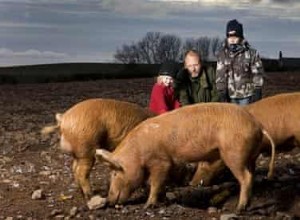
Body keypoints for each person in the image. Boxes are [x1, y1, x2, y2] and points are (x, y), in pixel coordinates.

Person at [216, 19, 264, 105]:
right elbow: (220, 75)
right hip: (230, 96)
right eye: (230, 36)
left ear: (241, 36)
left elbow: (257, 73)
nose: (232, 39)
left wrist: (257, 89)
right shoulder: (222, 55)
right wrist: (222, 92)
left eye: (235, 36)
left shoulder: (251, 53)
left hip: (247, 95)